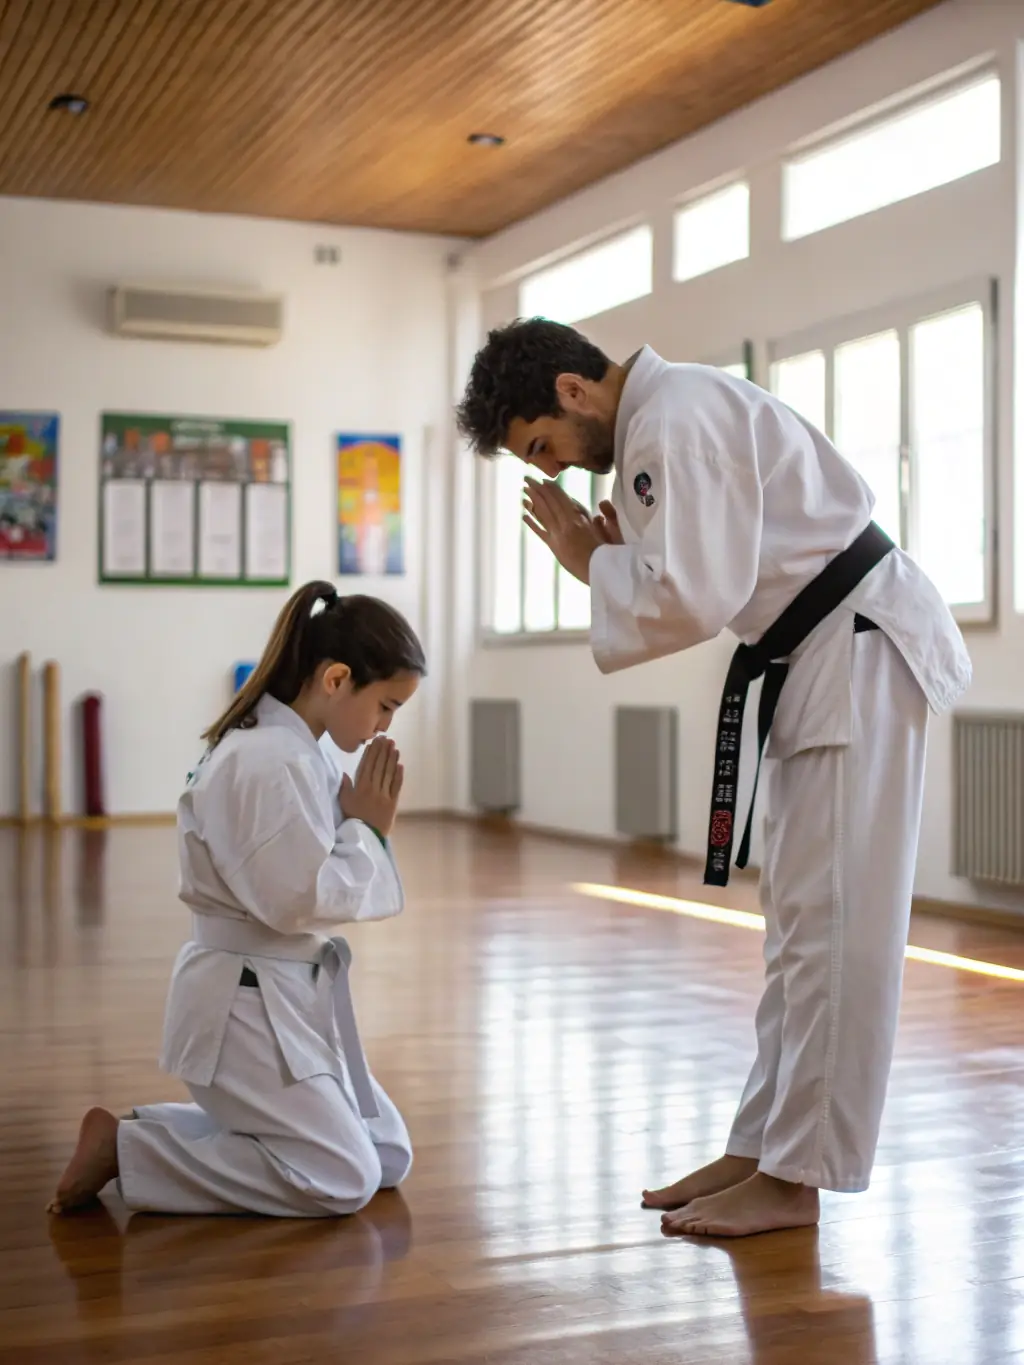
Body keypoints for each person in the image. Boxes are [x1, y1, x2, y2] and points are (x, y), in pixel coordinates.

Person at [456, 319, 971, 1239]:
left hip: (854, 648)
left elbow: (696, 593)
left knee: (836, 926)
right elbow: (697, 575)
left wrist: (592, 563)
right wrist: (627, 558)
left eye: (544, 444)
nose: (559, 470)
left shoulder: (672, 421)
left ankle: (798, 1176)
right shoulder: (666, 421)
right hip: (826, 654)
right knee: (802, 923)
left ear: (574, 391)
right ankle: (765, 1147)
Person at [49, 581, 425, 1218]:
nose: (386, 725)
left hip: (280, 994)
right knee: (342, 1178)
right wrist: (369, 829)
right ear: (336, 679)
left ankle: (154, 1131)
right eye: (386, 705)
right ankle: (132, 1150)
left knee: (386, 1152)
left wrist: (359, 823)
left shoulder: (291, 752)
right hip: (242, 1011)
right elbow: (292, 901)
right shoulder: (266, 760)